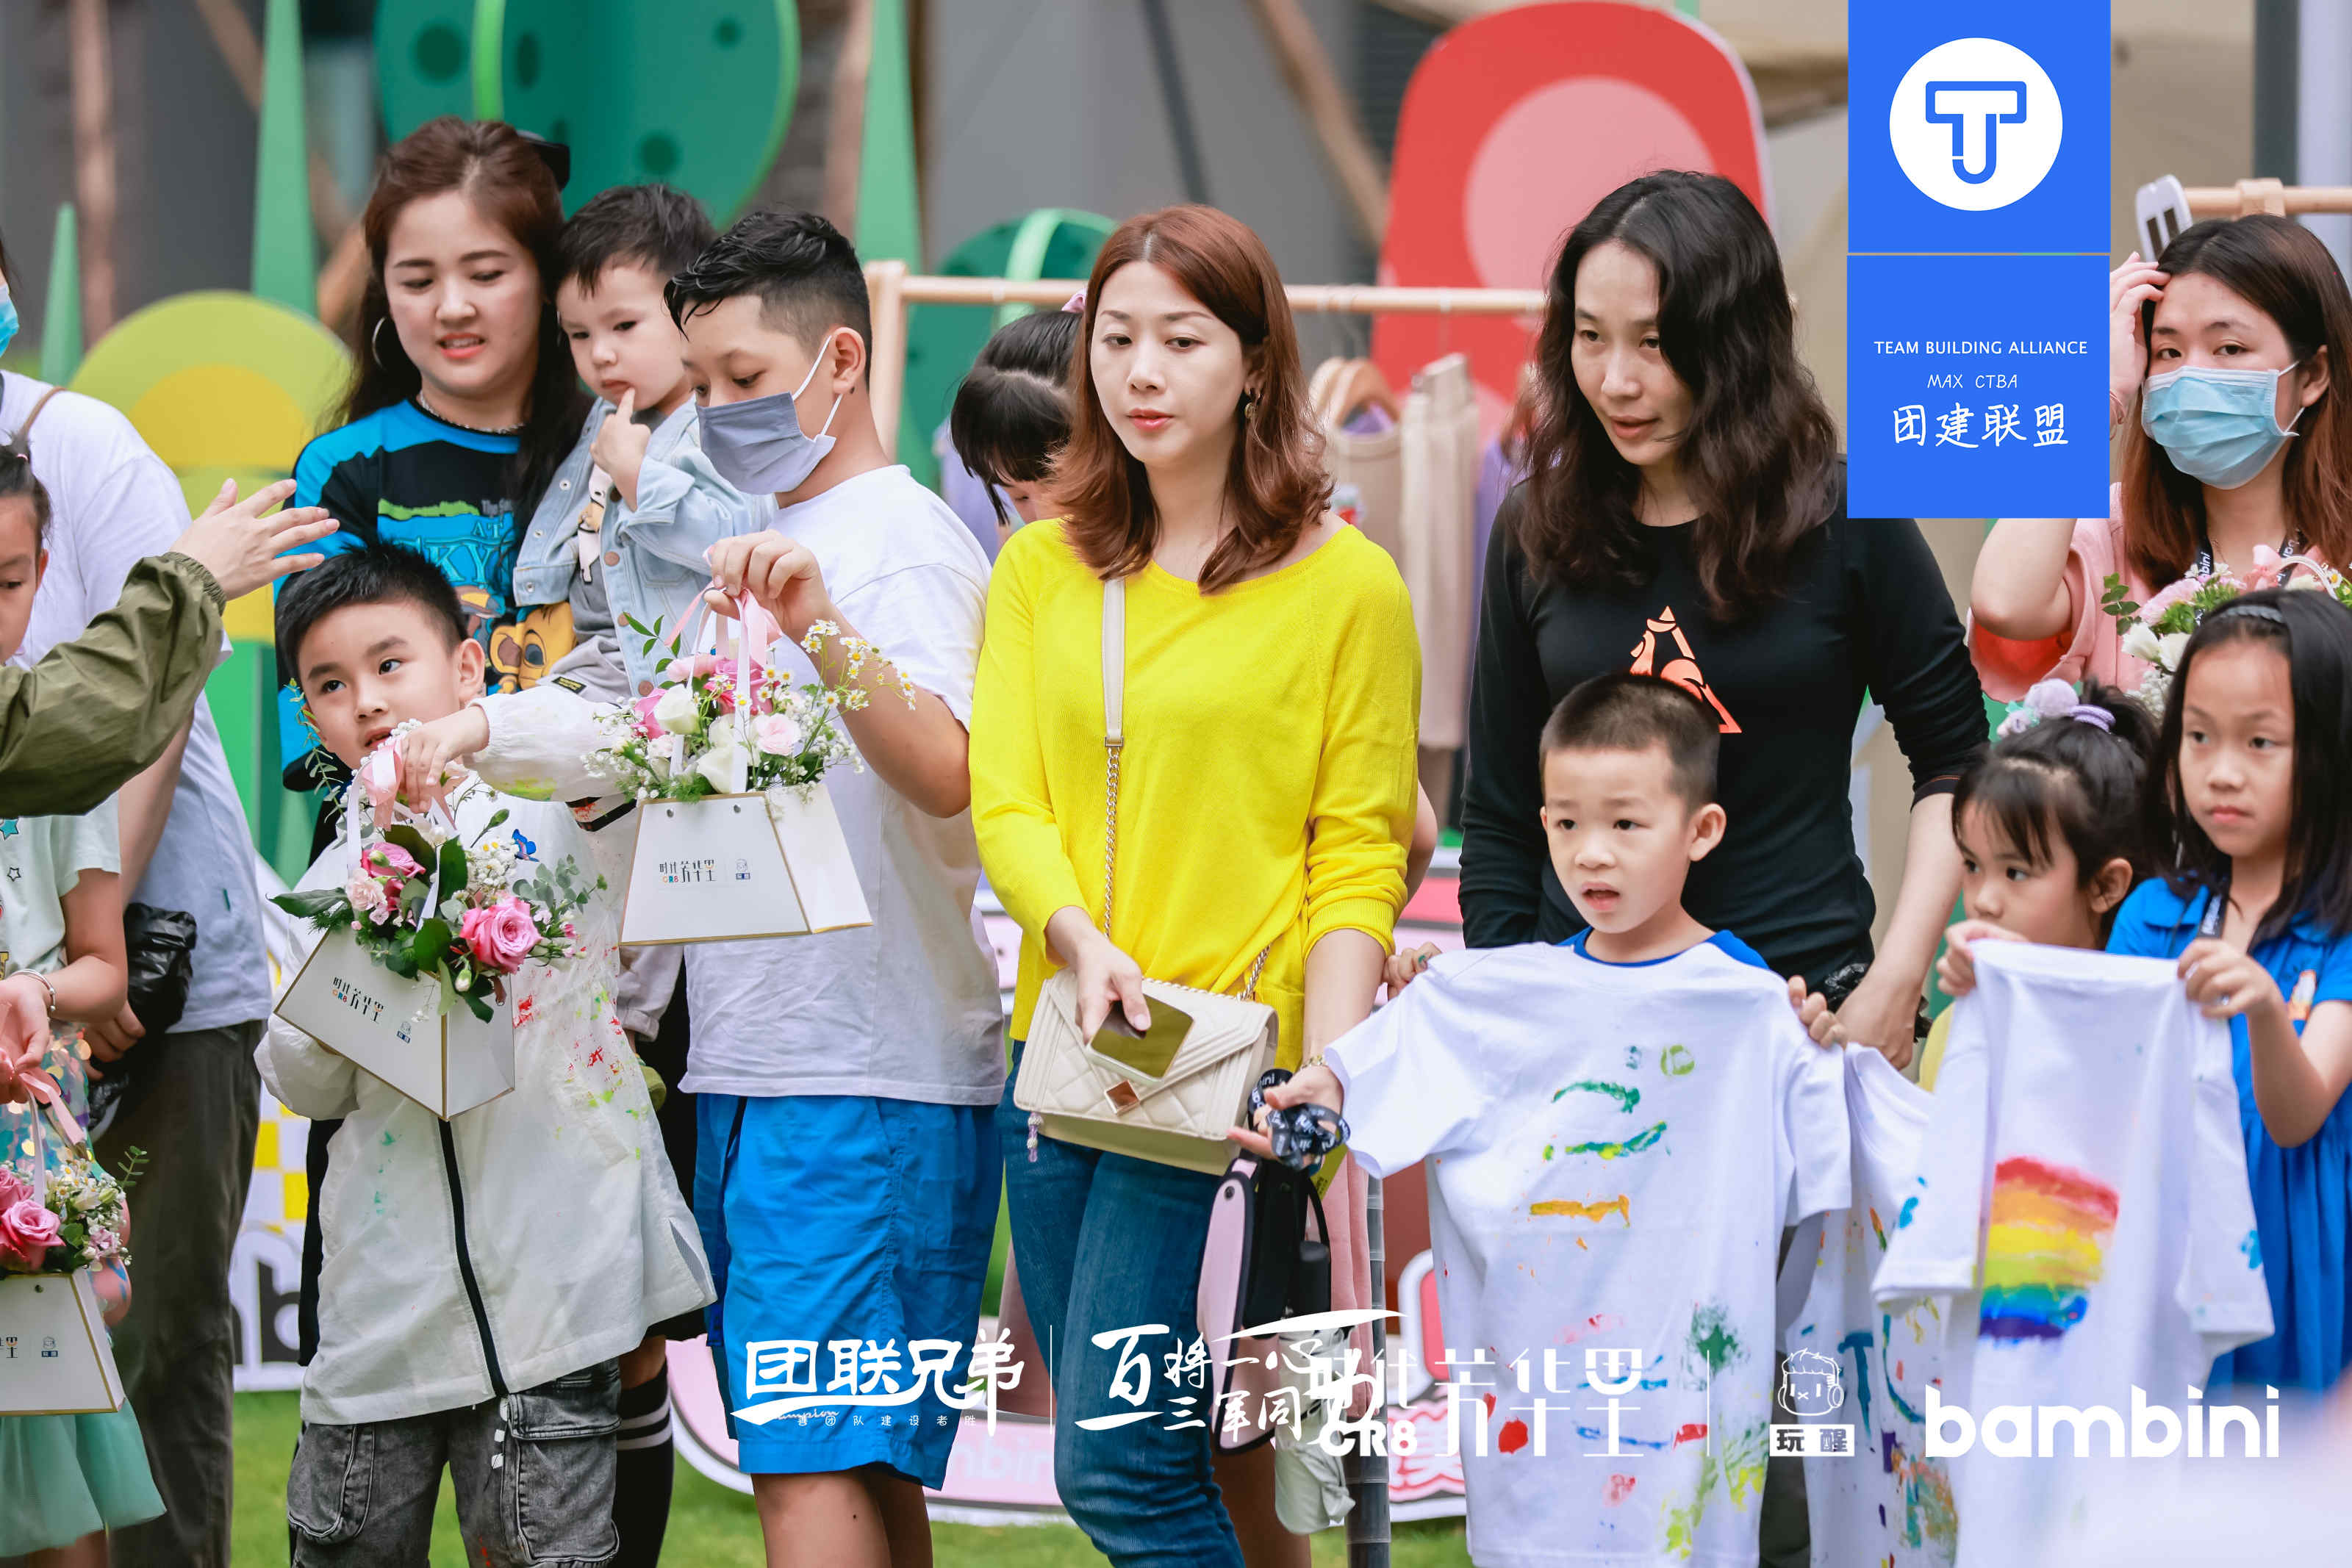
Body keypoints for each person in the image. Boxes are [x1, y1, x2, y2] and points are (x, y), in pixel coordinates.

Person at [968, 204, 1419, 1568]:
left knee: (1120, 1466)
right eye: (1116, 339)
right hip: (1067, 1040)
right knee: (1131, 1454)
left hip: (1225, 1063)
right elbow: (1008, 798)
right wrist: (1075, 937)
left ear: (1257, 363)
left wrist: (1329, 1064)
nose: (1141, 372)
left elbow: (1359, 850)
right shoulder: (1040, 566)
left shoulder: (1351, 587)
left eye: (1182, 339)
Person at [1245, 673, 1849, 1567]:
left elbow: (1849, 1180)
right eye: (1566, 824)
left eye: (1624, 824)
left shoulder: (1758, 1012)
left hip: (1689, 1415)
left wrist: (1826, 1048)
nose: (1590, 854)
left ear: (1701, 830)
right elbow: (1353, 1091)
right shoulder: (1501, 999)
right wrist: (1318, 1099)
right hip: (1537, 1421)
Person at [1460, 170, 1987, 1069]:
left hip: (1804, 1018)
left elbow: (1955, 760)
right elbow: (1502, 812)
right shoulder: (1533, 526)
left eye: (1654, 343)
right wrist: (1510, 1000)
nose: (1616, 381)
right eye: (1589, 337)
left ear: (1734, 343)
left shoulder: (1843, 516)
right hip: (1580, 1027)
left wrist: (1899, 977)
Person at [662, 209, 1003, 1568]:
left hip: (861, 1076)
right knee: (840, 1461)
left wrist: (817, 623)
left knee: (810, 1463)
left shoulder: (901, 543)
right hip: (766, 1062)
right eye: (701, 384)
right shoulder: (756, 534)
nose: (717, 411)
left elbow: (952, 767)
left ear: (842, 359)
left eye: (744, 377)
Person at [261, 543, 712, 1567]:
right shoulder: (329, 875)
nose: (367, 701)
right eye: (329, 684)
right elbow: (307, 1083)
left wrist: (479, 734)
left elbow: (623, 741)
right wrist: (359, 932)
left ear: (467, 667)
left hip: (559, 1303)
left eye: (391, 664)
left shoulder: (553, 808)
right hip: (382, 1318)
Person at [280, 114, 589, 1381]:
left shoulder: (612, 448)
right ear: (381, 295)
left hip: (598, 924)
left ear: (548, 277)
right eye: (416, 278)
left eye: (486, 271)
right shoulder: (344, 468)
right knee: (389, 1270)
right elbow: (314, 736)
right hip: (406, 915)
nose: (451, 306)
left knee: (601, 1308)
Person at [1, 231, 284, 1568]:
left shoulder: (78, 444)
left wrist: (81, 958)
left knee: (140, 1342)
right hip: (48, 990)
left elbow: (133, 711)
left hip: (143, 980)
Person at [1944, 587, 2352, 1392]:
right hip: (2157, 1252)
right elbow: (2091, 1090)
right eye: (2198, 736)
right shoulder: (2153, 913)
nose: (2221, 771)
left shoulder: (2340, 930)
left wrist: (2264, 1010)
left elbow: (2296, 1115)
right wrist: (2003, 981)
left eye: (2260, 742)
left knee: (2276, 1459)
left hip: (2291, 1256)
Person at [517, 177, 753, 1568]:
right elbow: (556, 590)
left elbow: (726, 557)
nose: (601, 352)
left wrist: (637, 469)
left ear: (696, 312)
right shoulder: (611, 442)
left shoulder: (729, 441)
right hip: (619, 853)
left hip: (720, 873)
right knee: (607, 1289)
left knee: (659, 1290)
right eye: (580, 332)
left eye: (625, 322)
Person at [1971, 217, 2352, 699]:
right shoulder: (2115, 532)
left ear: (2313, 374)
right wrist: (2095, 397)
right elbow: (2004, 603)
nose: (2191, 376)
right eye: (2169, 352)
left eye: (2229, 348)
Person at [0, 448, 163, 1567]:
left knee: (58, 1443)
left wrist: (37, 990)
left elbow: (103, 965)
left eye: (7, 580)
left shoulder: (62, 742)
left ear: (45, 571)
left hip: (25, 1129)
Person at [1792, 679, 2158, 1090]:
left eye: (2016, 872)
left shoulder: (2148, 1031)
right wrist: (1842, 1069)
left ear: (2105, 886)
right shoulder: (1957, 1027)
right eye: (1971, 864)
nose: (1983, 901)